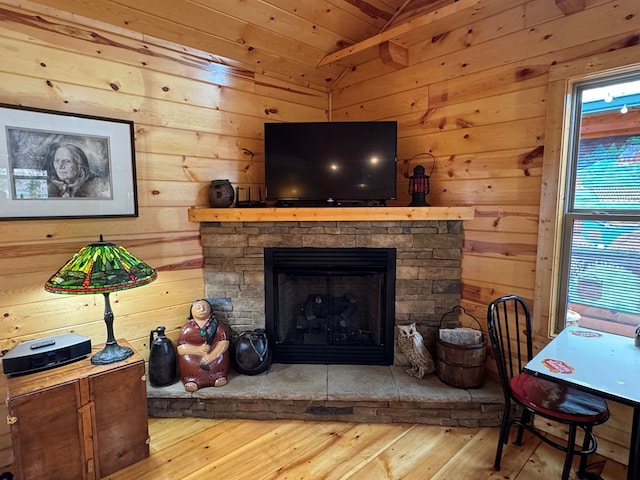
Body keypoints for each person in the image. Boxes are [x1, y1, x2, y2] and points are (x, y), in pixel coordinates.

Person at [177, 298, 230, 391]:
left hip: (213, 353)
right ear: (192, 311)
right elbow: (181, 348)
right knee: (188, 360)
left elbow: (224, 341)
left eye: (205, 307)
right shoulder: (187, 328)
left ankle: (217, 377)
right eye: (198, 308)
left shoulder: (216, 325)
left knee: (220, 356)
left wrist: (212, 356)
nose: (202, 310)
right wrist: (198, 350)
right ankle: (192, 380)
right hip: (194, 356)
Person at [45, 142, 111, 198]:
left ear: (79, 164)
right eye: (56, 161)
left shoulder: (97, 186)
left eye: (67, 161)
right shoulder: (52, 186)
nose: (60, 166)